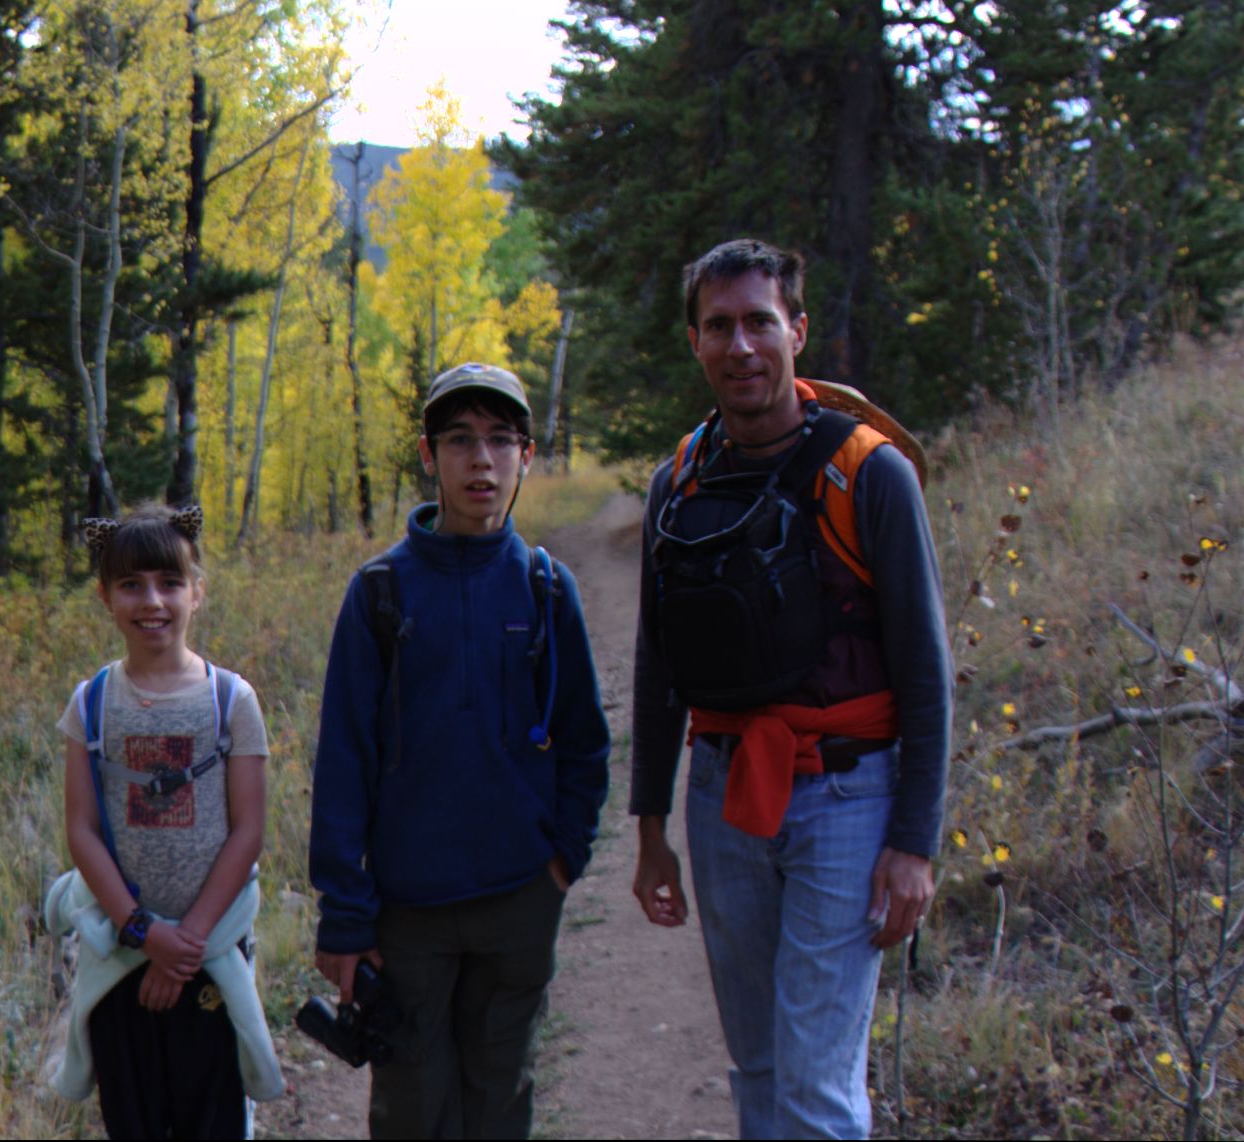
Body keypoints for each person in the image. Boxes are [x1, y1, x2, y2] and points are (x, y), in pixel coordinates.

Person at [629, 241, 952, 1140]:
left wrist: (912, 844)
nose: (741, 347)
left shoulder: (869, 474)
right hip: (723, 795)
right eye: (719, 326)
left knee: (815, 1088)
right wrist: (650, 830)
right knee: (760, 1067)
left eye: (759, 323)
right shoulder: (678, 481)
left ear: (797, 331)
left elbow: (925, 671)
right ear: (694, 341)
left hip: (847, 797)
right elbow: (659, 662)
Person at [310, 363, 610, 1140]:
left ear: (526, 457)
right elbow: (343, 762)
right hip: (408, 910)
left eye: (500, 442)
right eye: (460, 441)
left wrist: (561, 862)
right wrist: (346, 913)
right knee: (410, 1104)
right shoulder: (379, 592)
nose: (481, 460)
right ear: (427, 454)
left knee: (499, 1097)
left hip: (519, 899)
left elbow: (584, 742)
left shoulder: (546, 589)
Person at [43, 504, 283, 1139]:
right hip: (121, 957)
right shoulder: (91, 705)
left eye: (170, 583)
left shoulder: (231, 701)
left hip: (210, 957)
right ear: (105, 597)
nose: (152, 601)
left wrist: (185, 946)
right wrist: (144, 932)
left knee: (214, 1119)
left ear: (197, 592)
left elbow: (248, 831)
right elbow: (82, 831)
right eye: (131, 585)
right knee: (135, 1120)